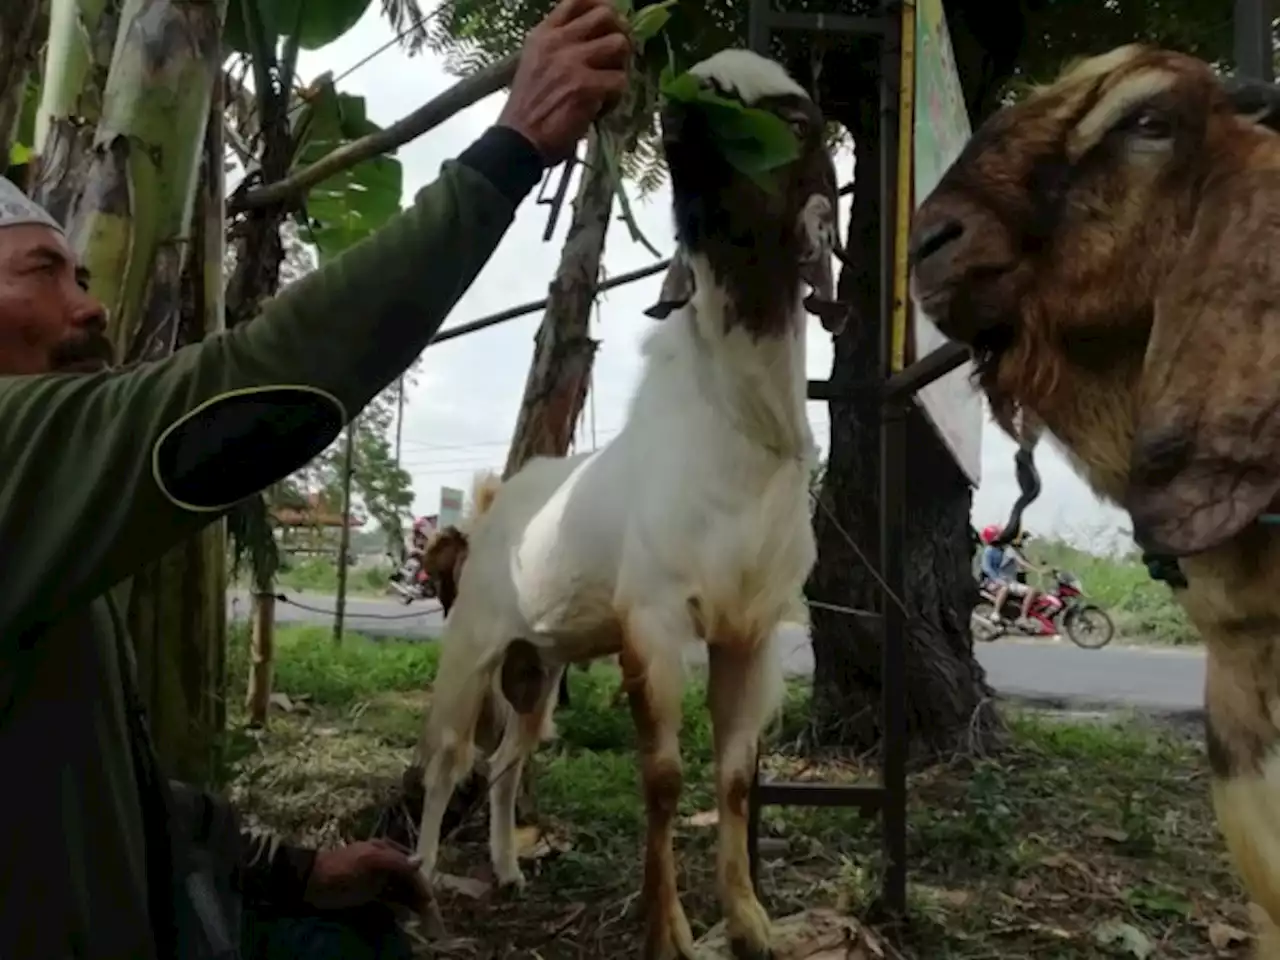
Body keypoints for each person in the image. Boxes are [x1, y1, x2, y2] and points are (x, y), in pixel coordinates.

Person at [0, 0, 631, 956]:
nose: (88, 307)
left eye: (84, 276)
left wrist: (285, 867)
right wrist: (508, 153)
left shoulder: (50, 512)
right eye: (45, 271)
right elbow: (248, 391)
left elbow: (99, 781)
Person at [978, 525, 1043, 628]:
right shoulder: (989, 551)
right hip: (991, 581)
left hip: (1009, 581)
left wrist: (1038, 570)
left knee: (1033, 591)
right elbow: (987, 568)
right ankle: (996, 612)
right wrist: (997, 580)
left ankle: (1023, 617)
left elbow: (1021, 562)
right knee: (1004, 588)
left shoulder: (1006, 549)